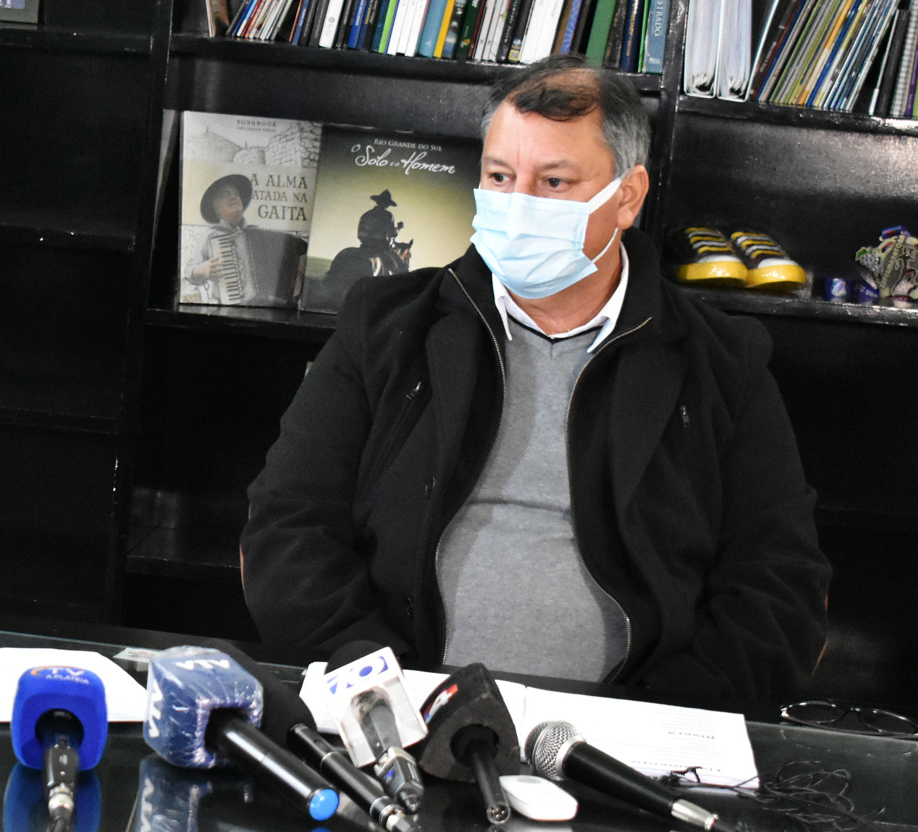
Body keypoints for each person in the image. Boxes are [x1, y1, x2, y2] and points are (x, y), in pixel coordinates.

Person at [240, 55, 830, 713]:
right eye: (499, 176)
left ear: (627, 197)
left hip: (628, 739)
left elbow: (780, 587)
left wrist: (658, 716)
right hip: (401, 714)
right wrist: (376, 689)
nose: (517, 205)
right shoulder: (386, 326)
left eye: (553, 182)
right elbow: (288, 525)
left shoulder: (722, 361)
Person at [185, 174, 306, 307]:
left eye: (236, 194)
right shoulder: (210, 236)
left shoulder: (257, 233)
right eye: (226, 194)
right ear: (217, 210)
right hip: (229, 308)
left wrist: (299, 275)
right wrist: (201, 269)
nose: (233, 197)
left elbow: (300, 255)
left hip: (269, 307)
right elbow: (189, 271)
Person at [301, 190, 414, 311]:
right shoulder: (388, 215)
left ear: (377, 201)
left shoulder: (366, 214)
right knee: (399, 266)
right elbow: (391, 233)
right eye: (387, 203)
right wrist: (398, 228)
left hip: (364, 245)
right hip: (380, 248)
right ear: (386, 204)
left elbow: (360, 232)